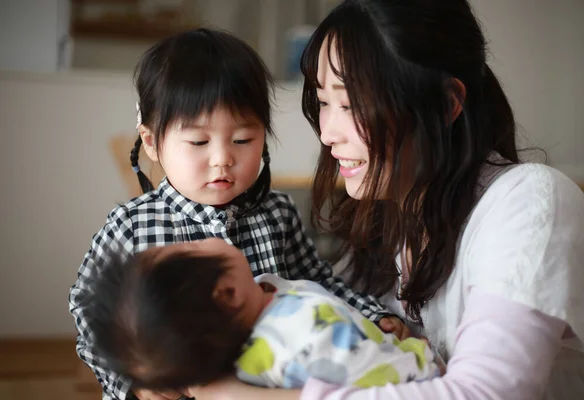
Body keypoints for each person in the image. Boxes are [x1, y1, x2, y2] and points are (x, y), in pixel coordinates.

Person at [185, 0, 584, 399]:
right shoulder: (387, 219)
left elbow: (484, 394)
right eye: (325, 102)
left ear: (445, 102)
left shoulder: (531, 202)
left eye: (350, 104)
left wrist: (230, 395)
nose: (328, 132)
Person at [68, 28, 404, 400]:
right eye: (198, 142)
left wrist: (371, 314)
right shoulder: (131, 227)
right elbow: (91, 313)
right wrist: (137, 383)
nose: (222, 158)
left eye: (243, 139)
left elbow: (316, 283)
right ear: (152, 142)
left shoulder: (276, 213)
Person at [82, 238, 441, 393]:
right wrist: (420, 355)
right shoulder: (303, 330)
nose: (200, 239)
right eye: (191, 246)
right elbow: (381, 383)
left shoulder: (260, 311)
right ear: (227, 293)